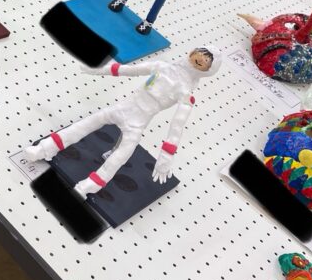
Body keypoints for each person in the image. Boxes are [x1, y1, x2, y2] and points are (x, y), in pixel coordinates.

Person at [24, 47, 222, 198]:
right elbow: (128, 70)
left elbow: (177, 125)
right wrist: (96, 70)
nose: (197, 61)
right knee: (88, 123)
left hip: (138, 122)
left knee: (122, 154)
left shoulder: (186, 93)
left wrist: (166, 155)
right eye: (197, 56)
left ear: (206, 71)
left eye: (202, 62)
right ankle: (45, 148)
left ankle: (90, 185)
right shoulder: (162, 66)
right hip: (123, 108)